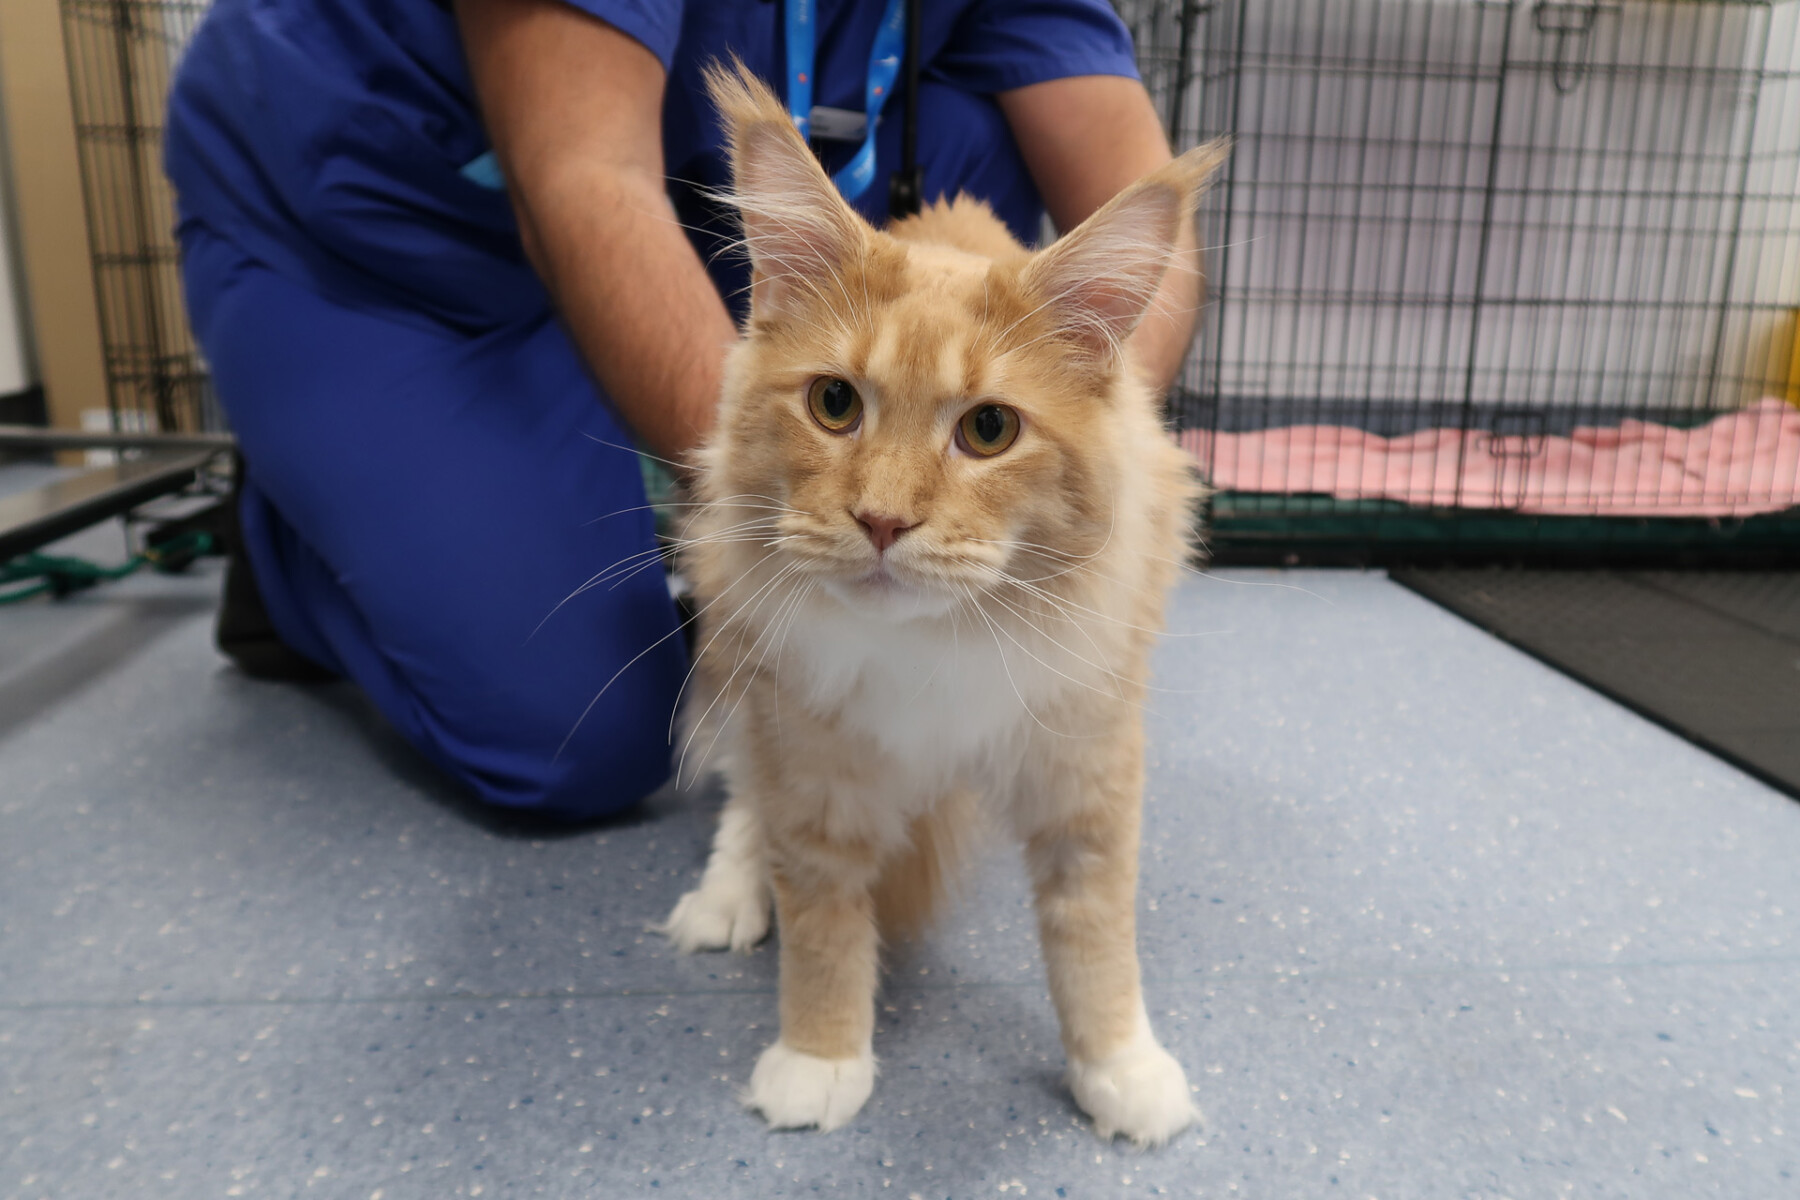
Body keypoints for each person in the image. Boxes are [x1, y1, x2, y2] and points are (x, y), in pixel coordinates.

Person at [164, 0, 1199, 821]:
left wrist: (1076, 470)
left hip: (689, 167)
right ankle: (295, 545)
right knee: (578, 740)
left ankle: (859, 492)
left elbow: (1145, 211)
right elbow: (579, 176)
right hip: (389, 226)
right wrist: (769, 546)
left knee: (991, 147)